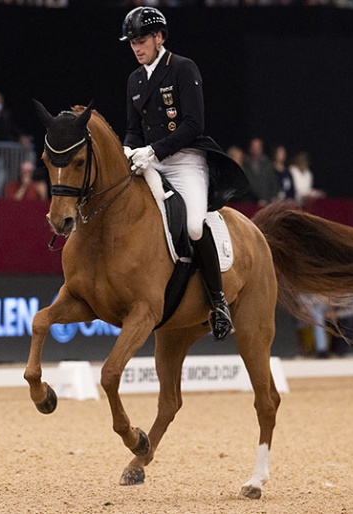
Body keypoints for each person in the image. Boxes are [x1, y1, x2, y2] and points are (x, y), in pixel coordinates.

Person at [120, 6, 248, 340]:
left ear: (159, 37)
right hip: (151, 161)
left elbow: (194, 124)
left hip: (186, 160)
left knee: (193, 225)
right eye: (132, 41)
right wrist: (128, 150)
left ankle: (218, 303)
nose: (136, 47)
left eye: (142, 40)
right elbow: (134, 130)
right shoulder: (134, 80)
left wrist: (154, 150)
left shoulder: (181, 68)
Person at [241, 137, 278, 205]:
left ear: (261, 148)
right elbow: (247, 186)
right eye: (253, 146)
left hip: (268, 202)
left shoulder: (268, 165)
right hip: (251, 203)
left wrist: (271, 197)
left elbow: (273, 182)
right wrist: (257, 199)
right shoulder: (244, 164)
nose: (255, 149)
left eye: (257, 146)